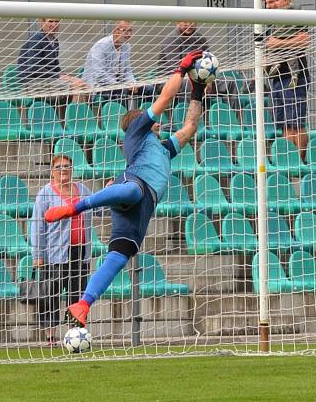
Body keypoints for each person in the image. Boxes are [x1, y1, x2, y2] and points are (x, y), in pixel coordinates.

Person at [43, 49, 208, 327]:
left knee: (119, 256)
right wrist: (181, 70)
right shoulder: (137, 132)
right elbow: (165, 98)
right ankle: (74, 207)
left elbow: (190, 127)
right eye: (153, 120)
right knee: (133, 191)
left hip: (143, 208)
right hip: (133, 185)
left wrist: (198, 91)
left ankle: (83, 304)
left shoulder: (164, 150)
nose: (158, 122)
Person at [29, 153, 93, 345]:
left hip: (80, 252)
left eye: (66, 166)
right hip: (54, 254)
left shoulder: (83, 190)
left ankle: (75, 335)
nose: (63, 170)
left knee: (77, 294)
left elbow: (98, 208)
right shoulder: (45, 194)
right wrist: (38, 254)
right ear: (52, 171)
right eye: (59, 167)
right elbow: (37, 225)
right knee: (51, 295)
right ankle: (50, 336)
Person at [263, 0, 311, 158]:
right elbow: (267, 44)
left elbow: (304, 40)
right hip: (276, 78)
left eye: (272, 2)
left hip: (294, 77)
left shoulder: (293, 15)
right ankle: (288, 162)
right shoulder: (268, 21)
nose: (269, 6)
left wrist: (280, 43)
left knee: (295, 123)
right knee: (284, 124)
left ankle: (299, 162)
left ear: (282, 1)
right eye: (267, 2)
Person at [82, 20, 154, 103]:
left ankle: (145, 115)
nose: (129, 34)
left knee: (149, 89)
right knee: (122, 92)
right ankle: (123, 116)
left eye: (130, 31)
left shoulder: (126, 46)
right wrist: (118, 85)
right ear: (115, 31)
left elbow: (127, 71)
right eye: (125, 31)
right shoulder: (101, 46)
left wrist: (132, 83)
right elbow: (99, 75)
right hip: (99, 86)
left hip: (119, 85)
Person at [17, 17, 88, 101]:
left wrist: (68, 77)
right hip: (31, 84)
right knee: (77, 87)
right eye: (50, 21)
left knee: (85, 86)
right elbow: (33, 67)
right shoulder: (36, 39)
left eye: (56, 21)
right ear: (42, 23)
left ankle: (71, 113)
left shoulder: (55, 41)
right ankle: (76, 113)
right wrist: (57, 76)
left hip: (49, 81)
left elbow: (55, 67)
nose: (54, 24)